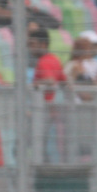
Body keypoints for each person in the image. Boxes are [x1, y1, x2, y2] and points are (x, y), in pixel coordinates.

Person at [29, 26, 66, 162]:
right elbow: (64, 81)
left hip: (43, 111)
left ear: (43, 44)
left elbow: (50, 81)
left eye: (32, 44)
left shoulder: (43, 62)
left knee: (25, 146)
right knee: (43, 147)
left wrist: (34, 85)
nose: (30, 48)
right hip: (51, 112)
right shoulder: (54, 59)